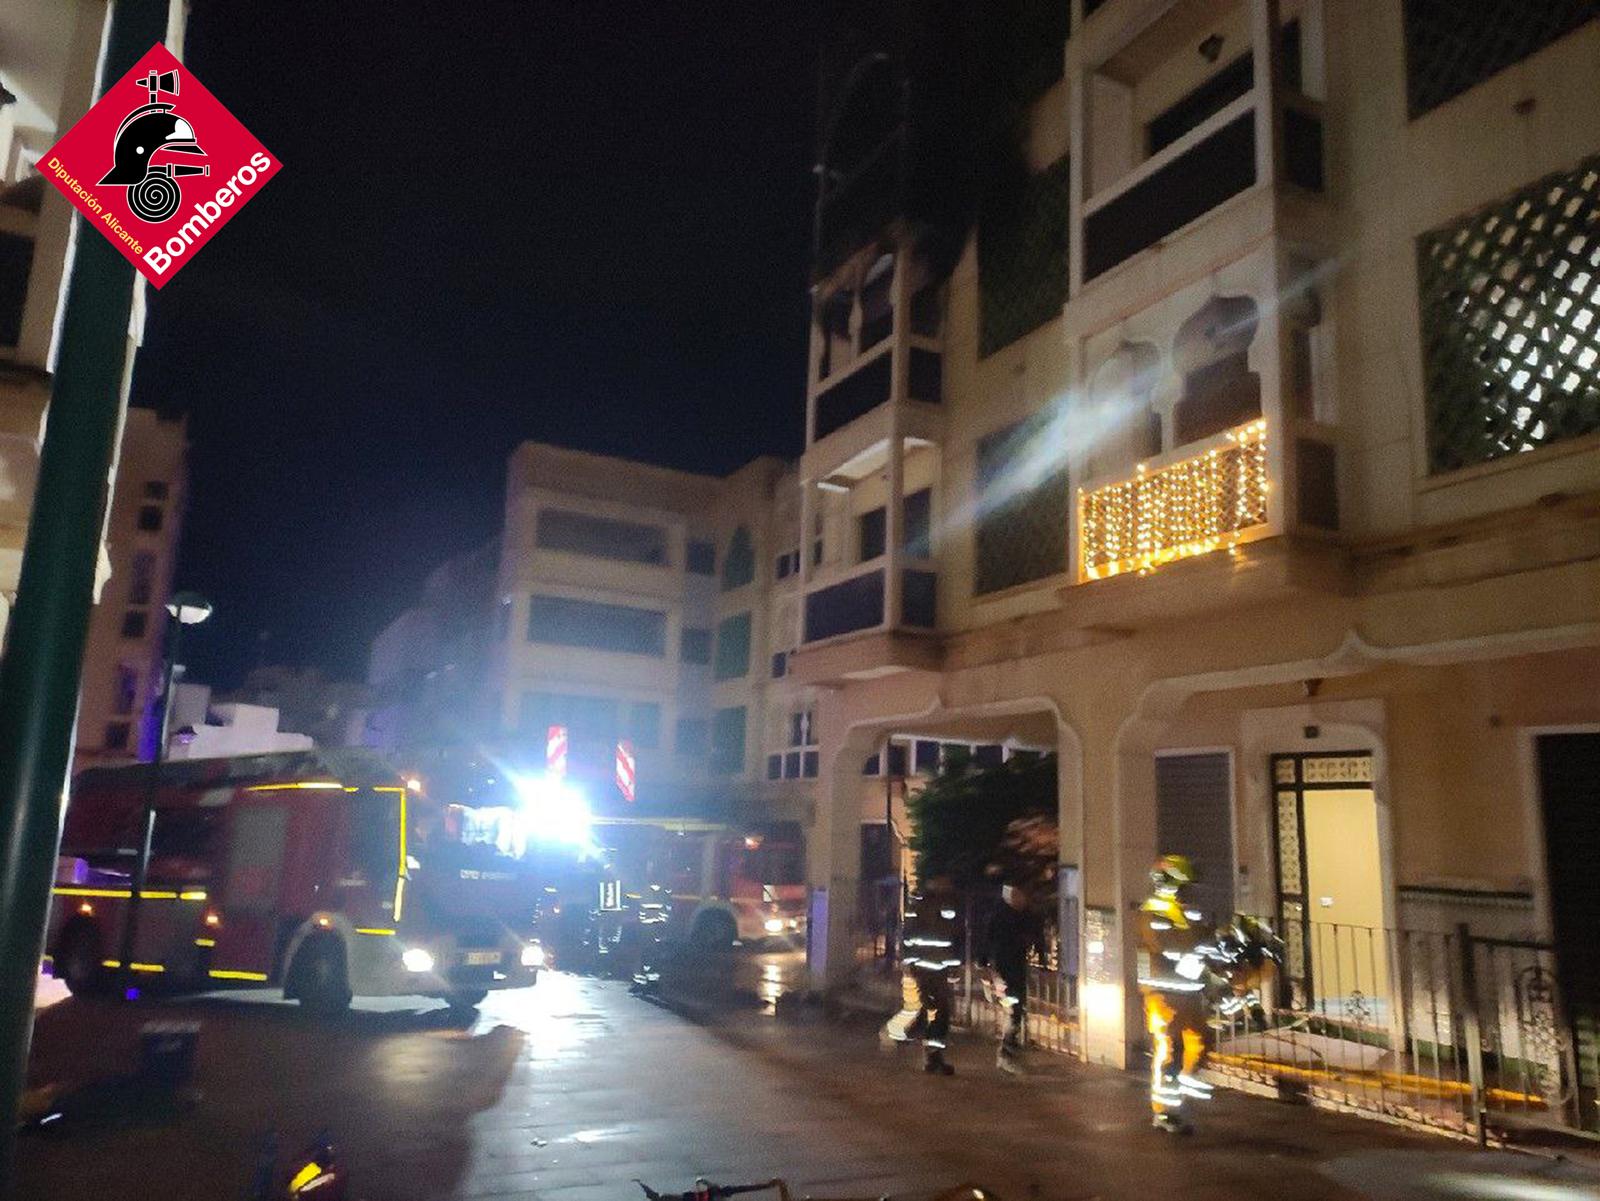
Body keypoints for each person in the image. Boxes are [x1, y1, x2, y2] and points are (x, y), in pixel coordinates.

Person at [1136, 854, 1223, 1133]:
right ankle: (1164, 1112)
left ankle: (1179, 1092)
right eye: (1184, 886)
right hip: (1163, 993)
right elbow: (1168, 947)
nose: (1189, 892)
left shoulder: (1182, 911)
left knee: (1200, 1042)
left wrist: (1212, 947)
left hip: (1187, 991)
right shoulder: (1154, 913)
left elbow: (1201, 940)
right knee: (1169, 1050)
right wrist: (1198, 953)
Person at [881, 877, 962, 1075]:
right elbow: (909, 935)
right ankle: (927, 1049)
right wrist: (910, 962)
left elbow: (952, 938)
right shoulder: (921, 903)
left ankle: (927, 1048)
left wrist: (953, 965)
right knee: (937, 1009)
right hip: (926, 968)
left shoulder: (945, 903)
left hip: (936, 968)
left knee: (936, 1009)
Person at [981, 880, 1043, 1072]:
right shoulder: (1000, 916)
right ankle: (1006, 1055)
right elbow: (987, 941)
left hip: (1015, 969)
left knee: (1016, 1009)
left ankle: (1008, 1052)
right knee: (1012, 1010)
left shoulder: (1022, 915)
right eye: (1018, 895)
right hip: (1002, 972)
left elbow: (1034, 935)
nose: (1022, 899)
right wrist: (985, 966)